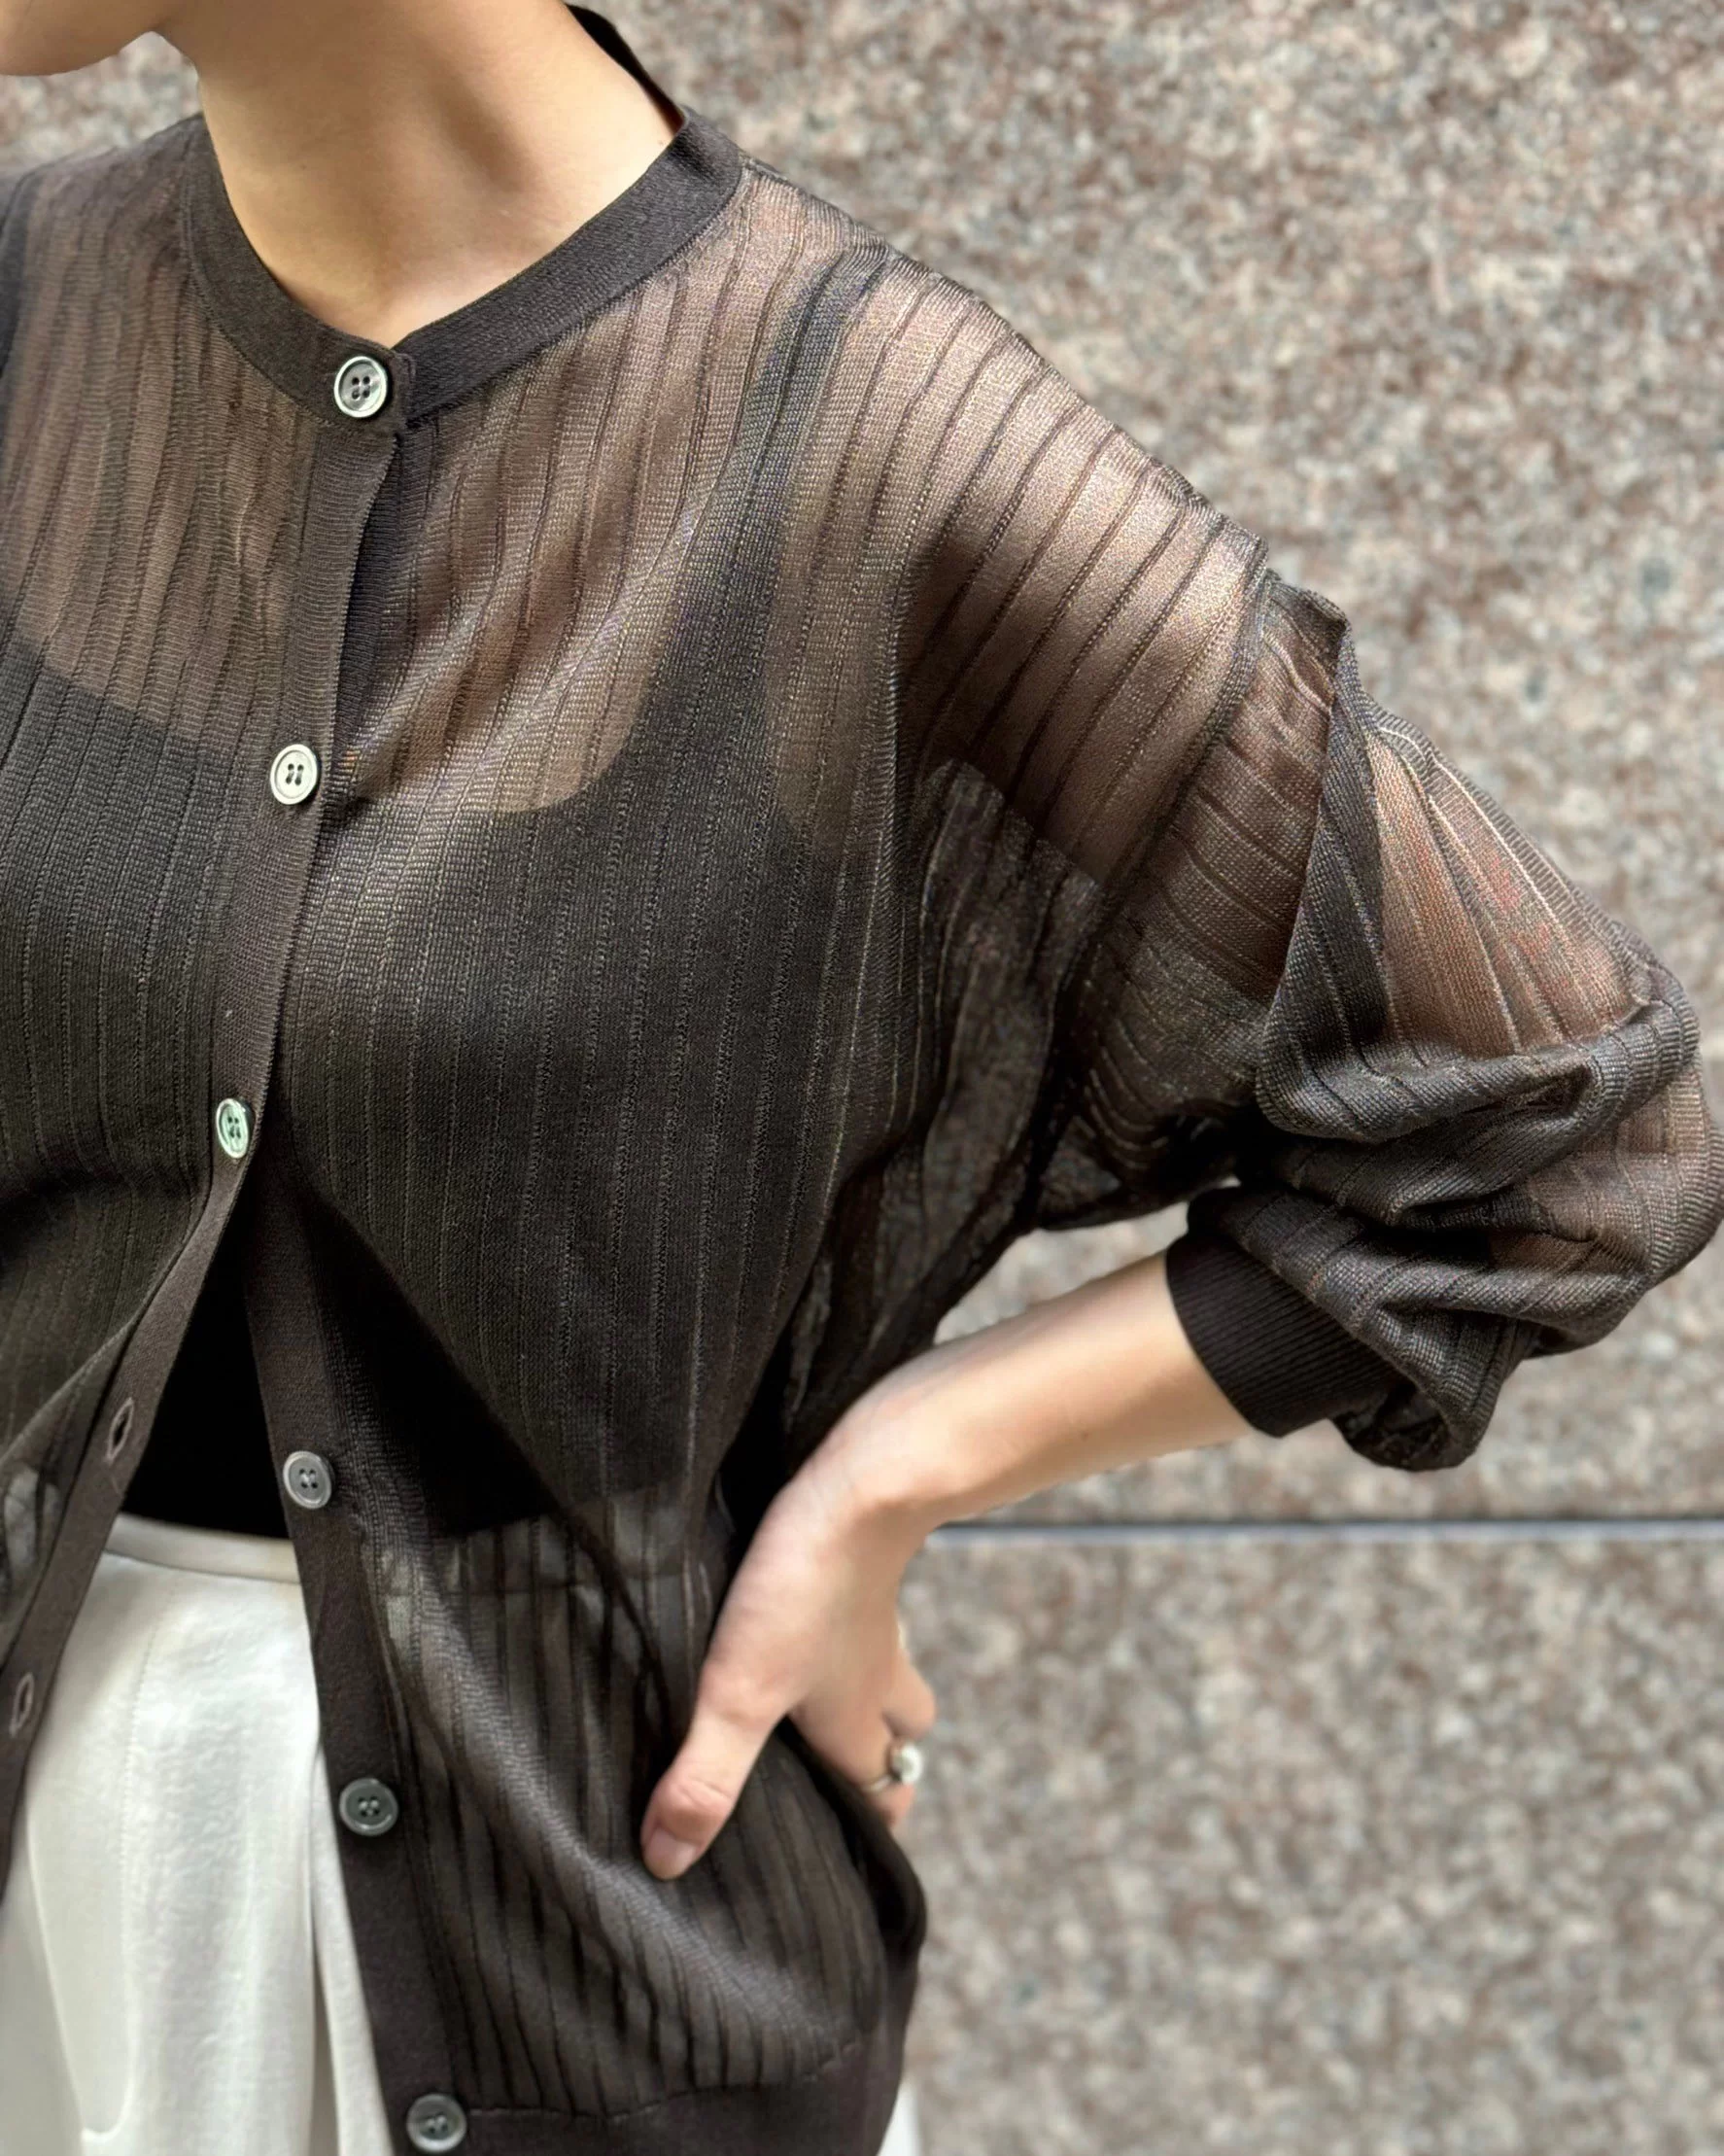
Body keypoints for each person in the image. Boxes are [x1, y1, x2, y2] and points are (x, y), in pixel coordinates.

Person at [0, 3, 1718, 2152]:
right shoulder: (31, 311)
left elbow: (1566, 1122)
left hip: (574, 1975)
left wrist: (890, 1470)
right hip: (60, 1919)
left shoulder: (858, 436)